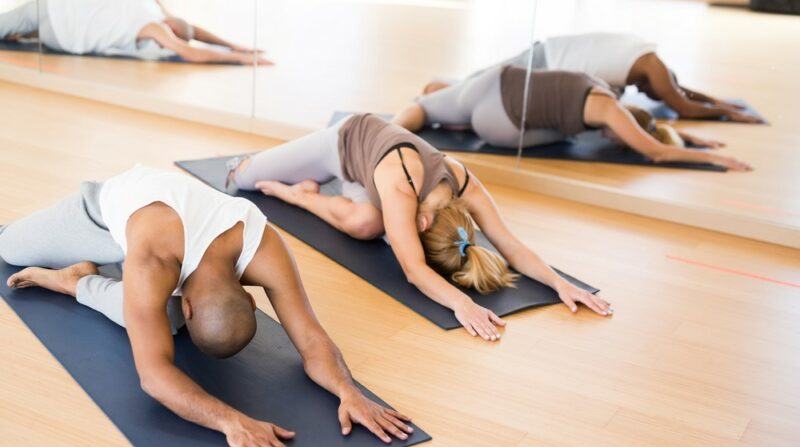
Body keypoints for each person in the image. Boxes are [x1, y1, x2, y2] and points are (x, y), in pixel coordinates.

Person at [0, 166, 411, 447]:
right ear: (249, 300)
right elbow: (154, 377)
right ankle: (74, 283)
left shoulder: (263, 245)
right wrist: (231, 421)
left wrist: (349, 391)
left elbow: (311, 339)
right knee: (10, 248)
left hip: (162, 243)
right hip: (105, 217)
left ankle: (85, 279)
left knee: (161, 319)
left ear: (248, 296)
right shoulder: (153, 262)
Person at [226, 113, 613, 342]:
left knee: (365, 224)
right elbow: (414, 271)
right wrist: (463, 304)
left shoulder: (464, 184)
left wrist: (559, 282)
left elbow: (510, 245)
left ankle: (305, 194)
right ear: (423, 223)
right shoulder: (401, 189)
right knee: (243, 178)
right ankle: (290, 189)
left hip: (370, 179)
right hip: (344, 143)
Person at [393, 65, 752, 171]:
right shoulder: (611, 112)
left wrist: (696, 137)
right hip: (500, 124)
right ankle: (455, 120)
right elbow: (657, 150)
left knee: (423, 105)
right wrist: (712, 157)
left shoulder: (605, 89)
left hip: (493, 83)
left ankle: (407, 123)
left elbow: (650, 129)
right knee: (566, 138)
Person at [425, 32, 762, 124]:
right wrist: (729, 112)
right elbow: (682, 105)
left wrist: (721, 102)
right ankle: (433, 94)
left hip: (551, 58)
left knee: (478, 84)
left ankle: (440, 94)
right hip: (546, 65)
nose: (647, 93)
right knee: (474, 88)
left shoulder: (645, 57)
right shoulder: (654, 69)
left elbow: (679, 91)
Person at [0, 0, 271, 65]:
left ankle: (24, 35)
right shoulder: (159, 16)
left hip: (59, 25)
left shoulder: (155, 27)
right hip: (59, 15)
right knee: (12, 27)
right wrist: (235, 46)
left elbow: (190, 48)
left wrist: (240, 58)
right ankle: (23, 36)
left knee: (10, 25)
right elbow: (193, 34)